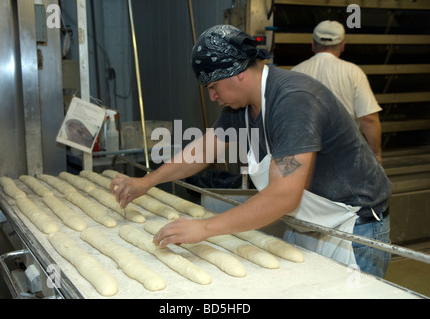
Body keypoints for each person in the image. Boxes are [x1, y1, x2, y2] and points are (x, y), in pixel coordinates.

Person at [110, 24, 392, 278]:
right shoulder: (242, 108)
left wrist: (204, 228)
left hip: (352, 227)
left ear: (239, 74)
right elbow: (204, 150)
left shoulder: (293, 101)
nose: (212, 96)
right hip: (308, 223)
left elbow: (284, 194)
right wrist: (148, 180)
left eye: (213, 86)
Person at [292, 20, 383, 163]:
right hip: (345, 154)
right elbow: (369, 118)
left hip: (306, 155)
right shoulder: (353, 72)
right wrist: (376, 154)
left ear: (313, 45)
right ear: (342, 46)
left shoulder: (295, 72)